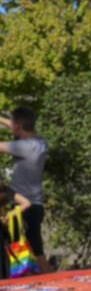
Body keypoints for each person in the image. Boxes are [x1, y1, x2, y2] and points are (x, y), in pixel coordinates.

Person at [0, 106, 50, 272]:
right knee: (34, 252)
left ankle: (52, 284)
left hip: (22, 208)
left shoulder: (22, 146)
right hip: (35, 206)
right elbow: (16, 125)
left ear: (18, 127)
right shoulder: (40, 142)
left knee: (31, 255)